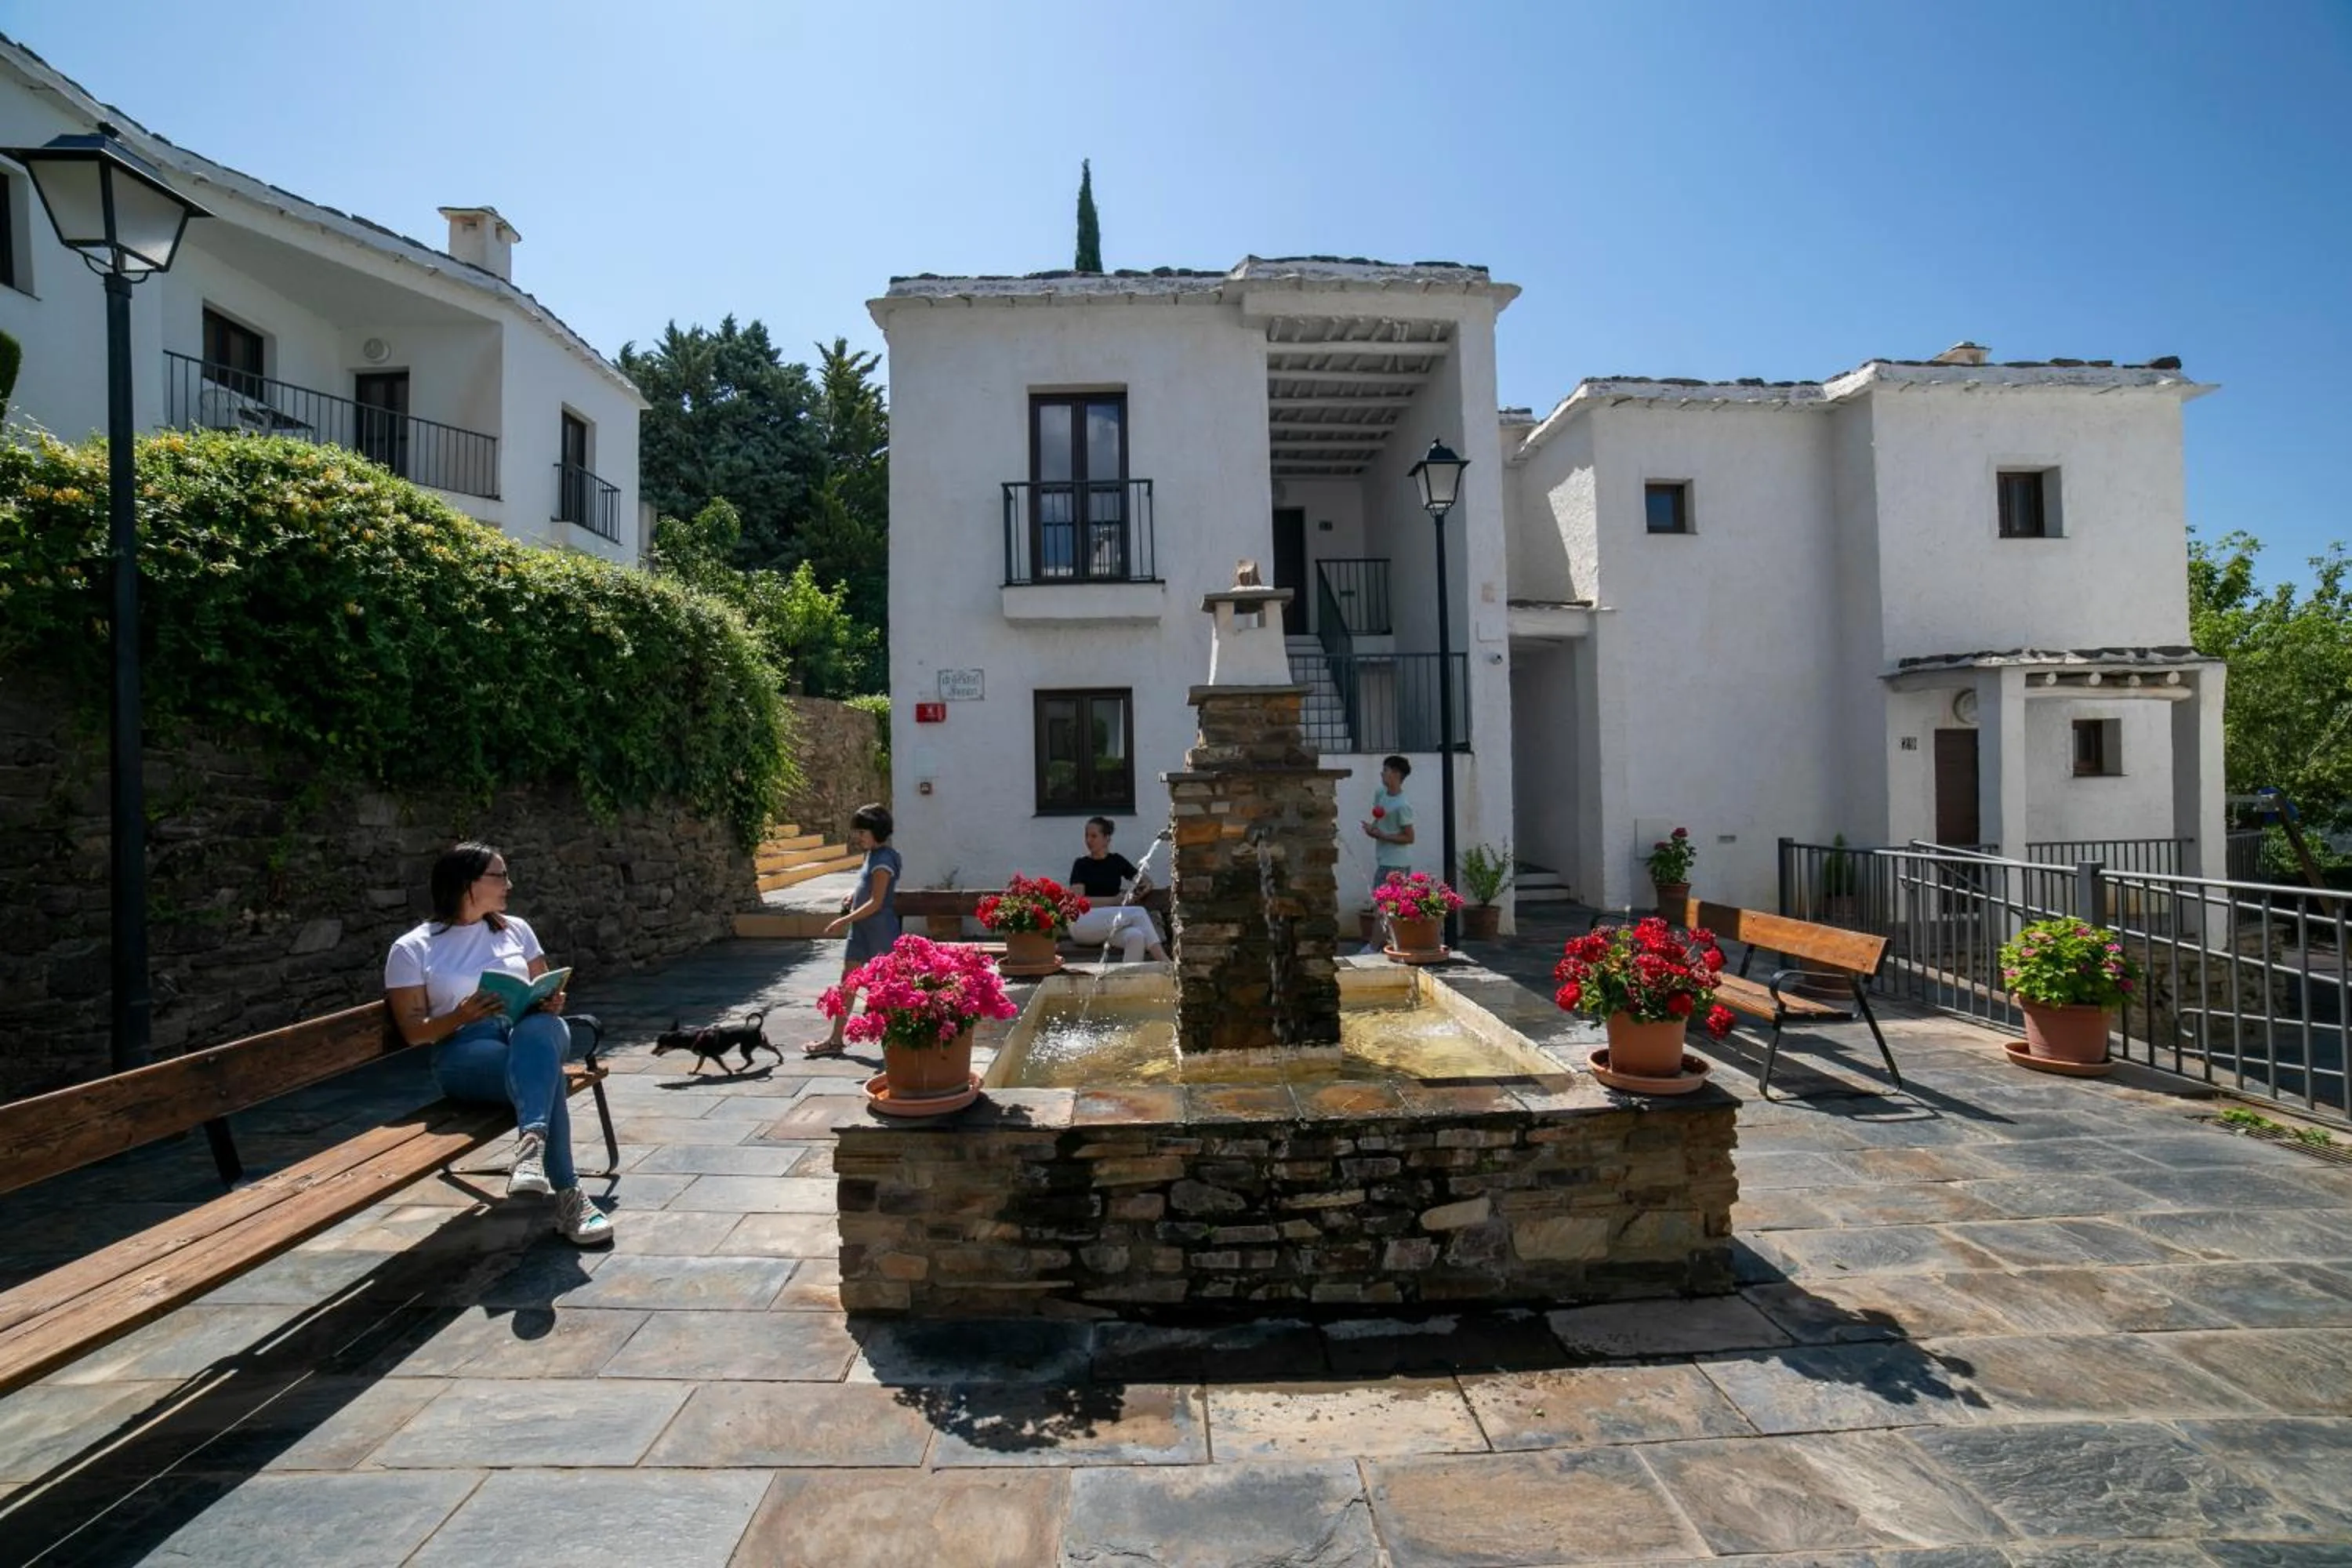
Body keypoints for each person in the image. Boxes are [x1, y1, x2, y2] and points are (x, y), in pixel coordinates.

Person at [384, 842, 612, 1246]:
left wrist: (552, 1000)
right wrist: (461, 1015)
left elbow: (545, 991)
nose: (509, 883)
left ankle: (531, 1151)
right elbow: (414, 1032)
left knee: (540, 1032)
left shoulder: (517, 929)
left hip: (529, 1031)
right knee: (547, 1077)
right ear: (467, 883)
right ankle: (569, 1195)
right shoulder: (413, 948)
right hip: (465, 1051)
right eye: (499, 875)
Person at [806, 803, 901, 1058]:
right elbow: (866, 889)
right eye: (857, 832)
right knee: (847, 985)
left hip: (880, 931)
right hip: (861, 930)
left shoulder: (885, 859)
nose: (857, 837)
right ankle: (835, 1039)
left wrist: (842, 921)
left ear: (877, 831)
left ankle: (899, 1040)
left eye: (862, 832)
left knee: (886, 988)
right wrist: (852, 895)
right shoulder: (872, 855)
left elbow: (877, 902)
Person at [1066, 816, 1170, 963]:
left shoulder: (1117, 861)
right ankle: (1165, 962)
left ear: (1107, 838)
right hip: (1083, 923)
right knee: (1138, 912)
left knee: (1136, 937)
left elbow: (1145, 881)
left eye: (1094, 836)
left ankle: (1130, 979)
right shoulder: (1081, 864)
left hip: (1108, 925)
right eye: (1087, 836)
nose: (1089, 840)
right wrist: (1114, 900)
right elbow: (1079, 901)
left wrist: (1143, 890)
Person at [1359, 753, 1417, 953]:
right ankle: (1389, 945)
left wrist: (1383, 835)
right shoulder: (1381, 794)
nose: (1382, 773)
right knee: (1387, 906)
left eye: (1385, 770)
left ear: (1395, 774)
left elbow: (1409, 837)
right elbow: (1378, 821)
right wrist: (1373, 830)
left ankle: (1373, 948)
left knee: (1385, 905)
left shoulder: (1403, 806)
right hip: (1384, 859)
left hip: (1396, 863)